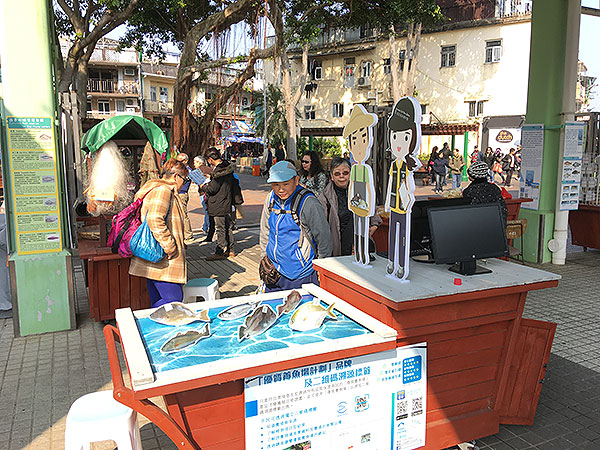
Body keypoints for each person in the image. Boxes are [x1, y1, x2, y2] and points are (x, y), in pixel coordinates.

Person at [260, 161, 332, 291]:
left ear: (296, 180)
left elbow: (324, 238)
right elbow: (265, 230)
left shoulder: (308, 202)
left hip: (300, 274)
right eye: (276, 185)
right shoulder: (271, 198)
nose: (280, 189)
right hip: (273, 271)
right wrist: (263, 258)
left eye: (286, 184)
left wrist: (322, 270)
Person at [129, 161, 188, 308]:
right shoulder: (163, 190)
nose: (185, 183)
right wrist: (170, 247)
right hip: (163, 258)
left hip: (156, 256)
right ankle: (155, 323)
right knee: (173, 301)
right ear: (176, 177)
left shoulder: (159, 189)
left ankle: (156, 326)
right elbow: (155, 219)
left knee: (159, 299)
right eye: (184, 179)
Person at [385, 96, 422, 280]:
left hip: (404, 206)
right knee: (392, 236)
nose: (398, 142)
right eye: (395, 136)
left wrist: (408, 199)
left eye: (405, 136)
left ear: (413, 137)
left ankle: (401, 265)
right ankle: (391, 261)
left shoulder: (407, 167)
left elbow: (409, 186)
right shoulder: (394, 165)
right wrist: (386, 203)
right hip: (393, 206)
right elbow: (391, 184)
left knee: (403, 238)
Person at [319, 157, 381, 257]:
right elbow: (321, 226)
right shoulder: (325, 196)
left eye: (345, 173)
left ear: (351, 174)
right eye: (337, 174)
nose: (341, 177)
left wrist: (374, 225)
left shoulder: (360, 189)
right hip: (338, 247)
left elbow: (371, 209)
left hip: (361, 246)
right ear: (331, 176)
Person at [203, 148, 235, 260]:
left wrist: (204, 185)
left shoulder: (218, 172)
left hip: (218, 202)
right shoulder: (227, 167)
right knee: (227, 227)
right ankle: (231, 250)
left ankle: (220, 251)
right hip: (226, 200)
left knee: (220, 228)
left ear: (211, 159)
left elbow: (213, 188)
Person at [462, 161, 508, 226]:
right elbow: (503, 209)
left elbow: (470, 214)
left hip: (480, 229)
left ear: (472, 176)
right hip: (498, 226)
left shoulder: (469, 191)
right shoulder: (494, 188)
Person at [175, 153, 195, 244]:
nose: (177, 163)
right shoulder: (180, 169)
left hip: (182, 194)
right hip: (177, 193)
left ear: (185, 161)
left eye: (180, 161)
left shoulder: (188, 171)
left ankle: (188, 235)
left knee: (183, 214)